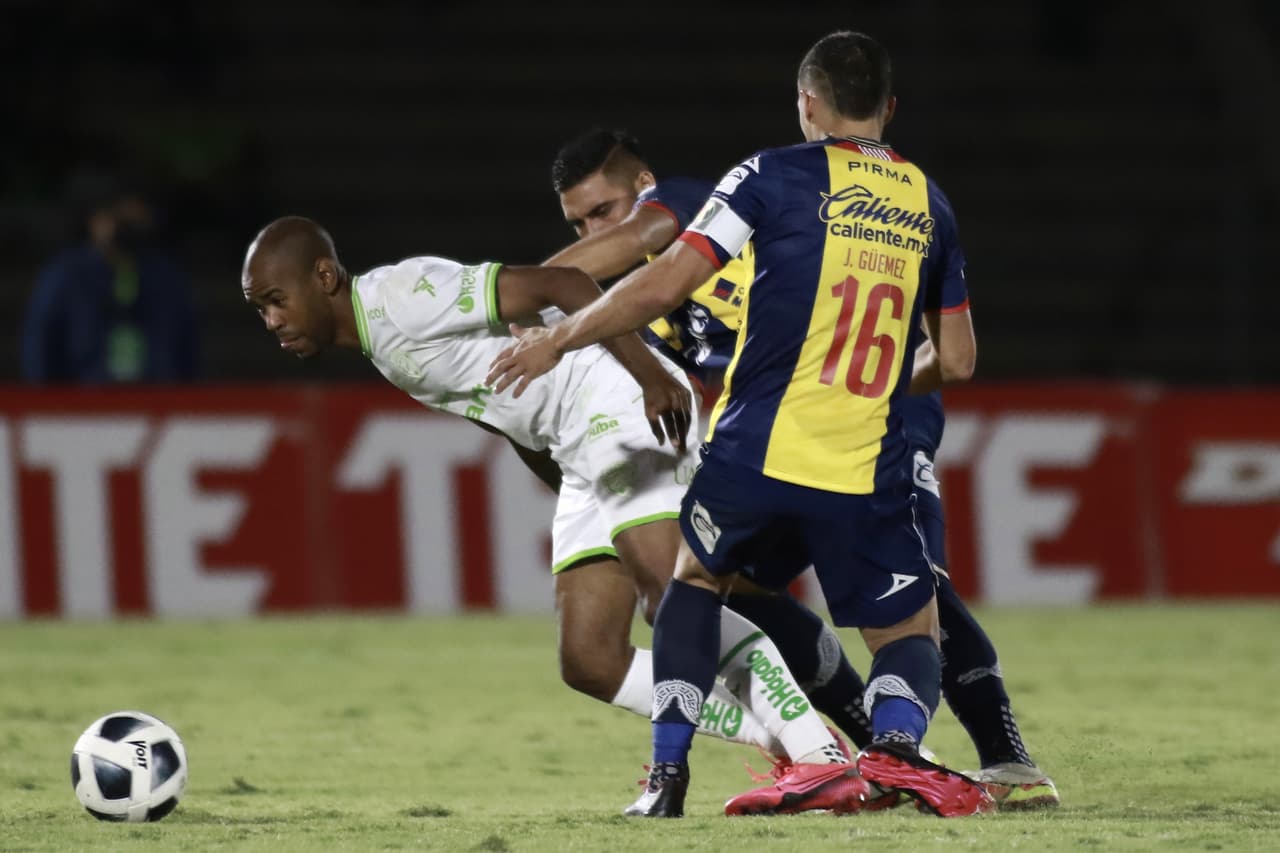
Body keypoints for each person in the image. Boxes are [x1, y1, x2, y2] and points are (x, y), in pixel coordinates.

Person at [489, 31, 995, 818]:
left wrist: (529, 308)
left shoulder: (736, 186)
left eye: (600, 214)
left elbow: (647, 267)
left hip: (781, 435)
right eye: (579, 221)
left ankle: (676, 772)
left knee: (698, 586)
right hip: (857, 433)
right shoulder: (929, 200)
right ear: (888, 108)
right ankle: (890, 744)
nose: (595, 236)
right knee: (884, 617)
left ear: (807, 104)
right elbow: (957, 357)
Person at [241, 216, 869, 816]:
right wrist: (565, 483)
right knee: (590, 658)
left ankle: (814, 751)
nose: (271, 321)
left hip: (618, 398)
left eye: (276, 299)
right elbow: (503, 405)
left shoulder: (399, 299)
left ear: (323, 277)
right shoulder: (381, 340)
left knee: (673, 597)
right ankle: (791, 742)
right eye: (259, 310)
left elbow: (560, 285)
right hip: (576, 445)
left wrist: (650, 375)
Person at [22, 173, 200, 383]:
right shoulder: (66, 276)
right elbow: (41, 350)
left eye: (134, 219)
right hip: (83, 404)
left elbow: (188, 351)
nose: (127, 226)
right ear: (95, 219)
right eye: (118, 218)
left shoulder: (165, 277)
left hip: (156, 402)